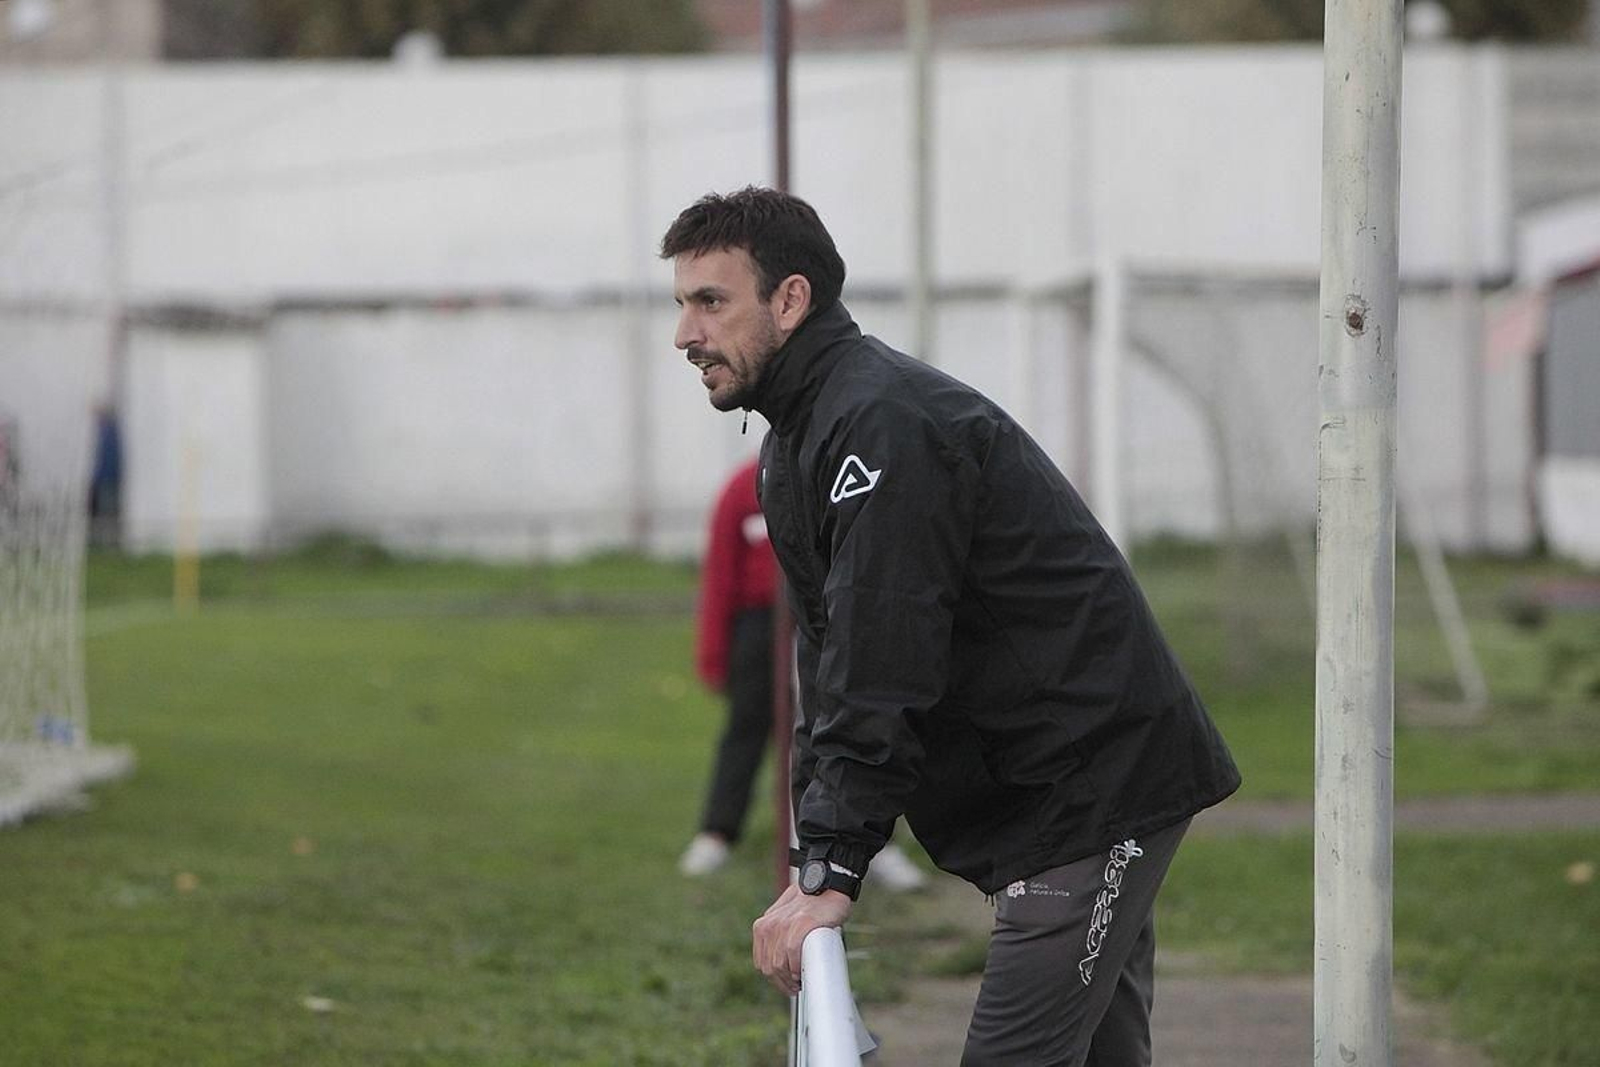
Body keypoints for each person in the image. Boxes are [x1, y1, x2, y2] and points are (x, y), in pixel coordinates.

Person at [661, 187, 1240, 1067]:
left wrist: (833, 870)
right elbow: (827, 659)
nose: (685, 334)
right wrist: (818, 848)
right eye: (682, 304)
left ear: (790, 299)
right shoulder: (797, 439)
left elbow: (881, 650)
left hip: (1089, 786)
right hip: (1048, 789)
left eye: (711, 302)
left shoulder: (880, 421)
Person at [680, 456, 927, 893]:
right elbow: (720, 573)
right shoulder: (742, 486)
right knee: (746, 729)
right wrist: (715, 655)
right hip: (760, 627)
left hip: (826, 618)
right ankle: (717, 832)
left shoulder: (835, 474)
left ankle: (873, 844)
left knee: (848, 730)